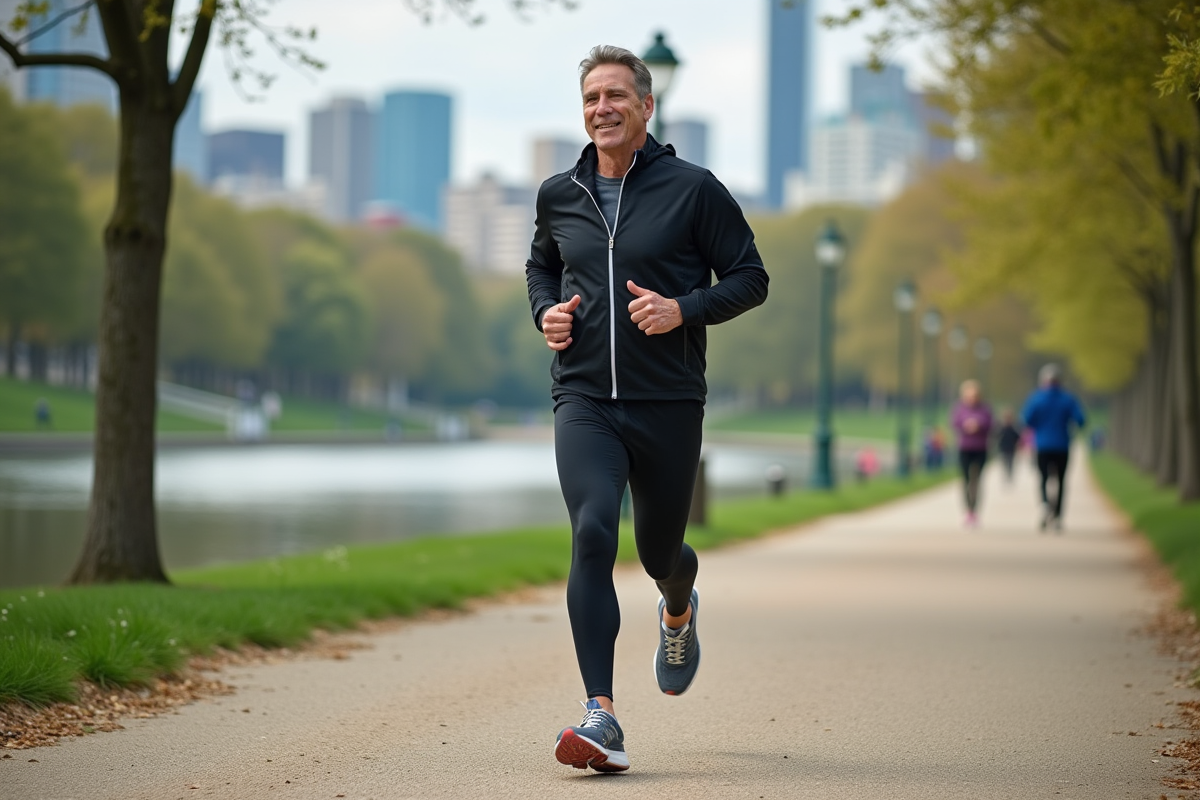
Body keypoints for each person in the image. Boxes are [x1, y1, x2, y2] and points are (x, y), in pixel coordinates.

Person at [526, 44, 769, 773]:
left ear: (646, 106)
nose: (603, 109)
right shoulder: (558, 192)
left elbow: (751, 278)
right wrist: (547, 314)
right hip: (583, 399)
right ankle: (600, 715)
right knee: (593, 529)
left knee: (659, 552)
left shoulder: (694, 191)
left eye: (616, 97)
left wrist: (683, 308)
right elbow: (542, 265)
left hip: (668, 402)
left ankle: (678, 606)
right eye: (592, 98)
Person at [1021, 363, 1086, 532]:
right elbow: (1080, 420)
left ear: (1043, 381)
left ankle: (1044, 504)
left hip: (1042, 445)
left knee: (1043, 478)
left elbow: (1027, 420)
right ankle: (1057, 516)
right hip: (1062, 445)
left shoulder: (1036, 398)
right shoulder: (1068, 399)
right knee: (1061, 481)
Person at [951, 379, 993, 527]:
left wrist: (979, 425)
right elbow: (954, 423)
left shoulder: (985, 408)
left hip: (980, 448)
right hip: (965, 448)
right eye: (969, 396)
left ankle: (975, 509)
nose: (972, 399)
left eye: (974, 396)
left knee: (977, 480)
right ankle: (968, 510)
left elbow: (991, 425)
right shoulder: (959, 408)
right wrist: (965, 425)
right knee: (966, 480)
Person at [996, 409, 1021, 484]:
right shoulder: (1001, 428)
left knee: (1011, 462)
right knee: (1004, 462)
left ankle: (1010, 475)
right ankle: (1005, 475)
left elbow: (1017, 437)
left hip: (1011, 448)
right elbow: (996, 436)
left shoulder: (1013, 428)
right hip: (1003, 448)